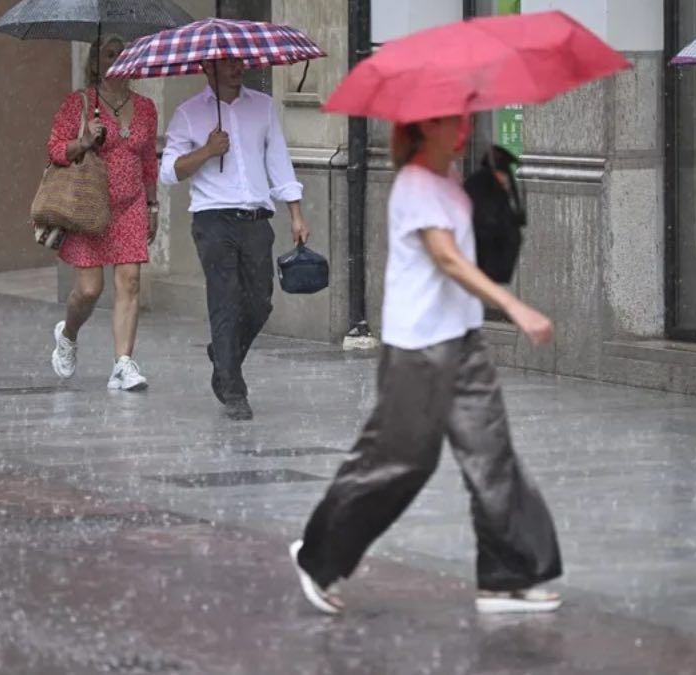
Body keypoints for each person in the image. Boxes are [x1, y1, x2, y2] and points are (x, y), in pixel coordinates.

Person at [289, 116, 563, 615]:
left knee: (492, 454)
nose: (460, 129)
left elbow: (475, 248)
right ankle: (319, 557)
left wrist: (497, 194)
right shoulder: (415, 184)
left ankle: (507, 576)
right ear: (421, 128)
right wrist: (514, 306)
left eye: (462, 119)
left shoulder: (450, 179)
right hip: (418, 349)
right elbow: (449, 260)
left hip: (463, 340)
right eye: (447, 122)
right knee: (400, 461)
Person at [160, 58, 309, 421]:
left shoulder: (263, 106)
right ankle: (233, 389)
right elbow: (168, 172)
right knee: (225, 301)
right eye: (226, 63)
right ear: (206, 68)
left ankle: (223, 355)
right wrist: (207, 151)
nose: (236, 68)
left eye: (238, 61)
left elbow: (278, 161)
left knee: (260, 301)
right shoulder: (188, 113)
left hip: (256, 218)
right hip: (213, 219)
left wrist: (296, 213)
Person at [47, 35, 159, 392]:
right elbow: (55, 150)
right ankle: (68, 333)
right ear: (95, 62)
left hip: (131, 205)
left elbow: (148, 161)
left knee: (130, 281)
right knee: (89, 290)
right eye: (110, 54)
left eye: (122, 53)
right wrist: (84, 140)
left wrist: (152, 204)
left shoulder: (146, 108)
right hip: (90, 206)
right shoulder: (79, 103)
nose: (117, 59)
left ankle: (123, 364)